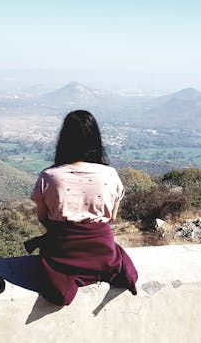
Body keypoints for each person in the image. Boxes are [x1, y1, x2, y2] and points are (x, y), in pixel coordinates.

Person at [26, 110, 138, 305]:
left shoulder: (49, 176)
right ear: (96, 140)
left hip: (62, 252)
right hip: (103, 253)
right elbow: (112, 217)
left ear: (64, 139)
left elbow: (43, 218)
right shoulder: (110, 175)